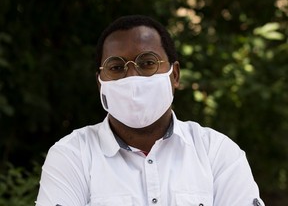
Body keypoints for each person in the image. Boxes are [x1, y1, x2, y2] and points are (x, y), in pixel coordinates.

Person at [35, 15, 265, 206]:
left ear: (174, 75)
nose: (132, 77)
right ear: (100, 82)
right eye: (116, 67)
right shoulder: (72, 156)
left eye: (147, 63)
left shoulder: (217, 153)